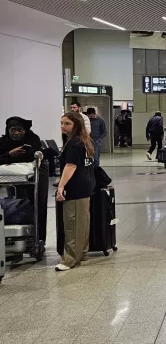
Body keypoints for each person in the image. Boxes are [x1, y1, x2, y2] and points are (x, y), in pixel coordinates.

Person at [55, 112, 95, 271]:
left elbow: (70, 166)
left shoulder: (73, 143)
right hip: (86, 185)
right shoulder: (86, 141)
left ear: (76, 125)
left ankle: (69, 260)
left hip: (76, 187)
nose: (63, 127)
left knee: (72, 224)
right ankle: (83, 252)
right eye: (62, 123)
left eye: (67, 124)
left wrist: (61, 185)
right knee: (83, 222)